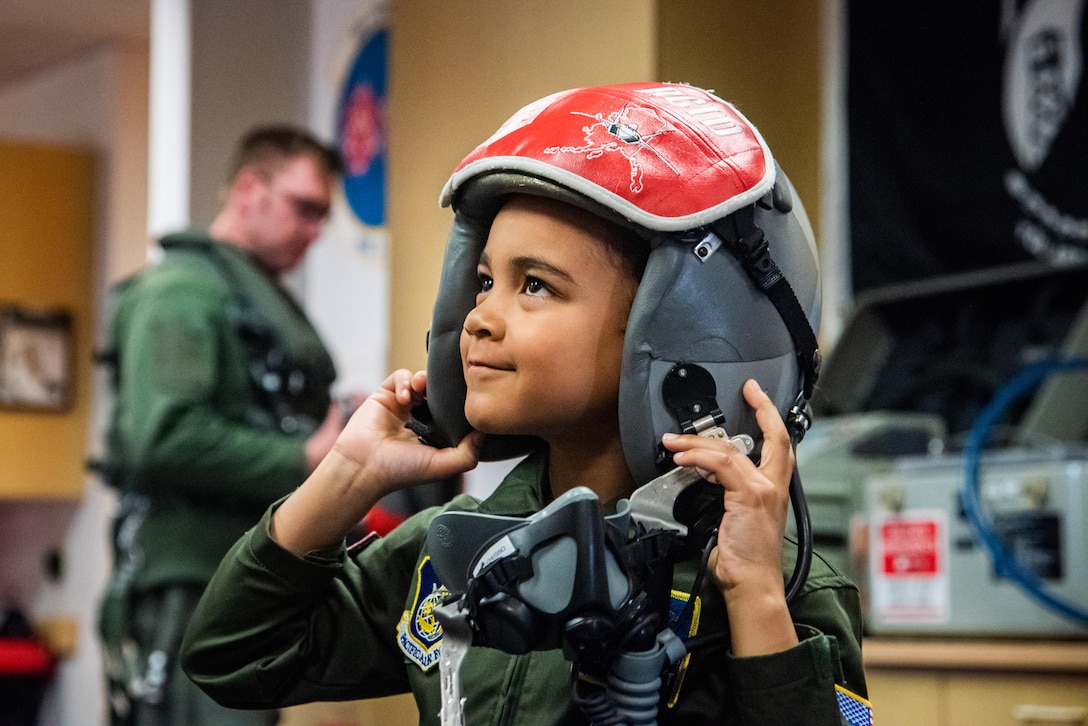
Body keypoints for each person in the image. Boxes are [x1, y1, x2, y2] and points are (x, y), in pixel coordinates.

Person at [180, 83, 872, 725]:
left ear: (677, 332)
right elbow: (233, 655)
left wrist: (754, 599)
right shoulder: (453, 550)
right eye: (484, 282)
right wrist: (346, 477)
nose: (480, 318)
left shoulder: (779, 583)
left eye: (535, 286)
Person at [97, 125, 347, 726]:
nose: (315, 232)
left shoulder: (244, 293)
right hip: (189, 581)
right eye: (304, 209)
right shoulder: (182, 292)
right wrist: (304, 457)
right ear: (248, 189)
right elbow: (164, 437)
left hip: (241, 574)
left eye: (323, 217)